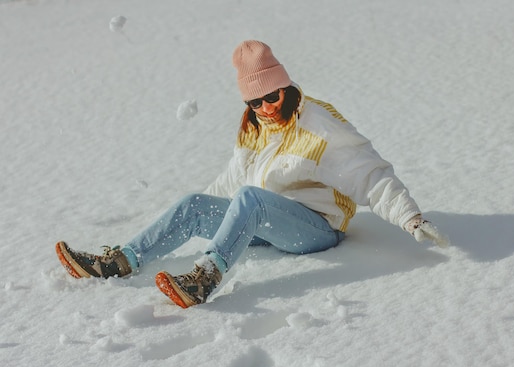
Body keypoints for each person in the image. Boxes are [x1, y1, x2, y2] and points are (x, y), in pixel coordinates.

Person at [56, 40, 447, 309]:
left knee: (250, 198)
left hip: (317, 230)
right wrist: (203, 215)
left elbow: (368, 174)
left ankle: (205, 278)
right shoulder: (255, 126)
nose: (264, 107)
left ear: (286, 88)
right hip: (265, 219)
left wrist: (410, 217)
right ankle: (121, 260)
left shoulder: (318, 125)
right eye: (254, 101)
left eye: (271, 97)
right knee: (196, 202)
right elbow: (231, 181)